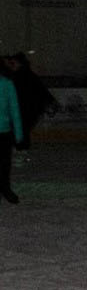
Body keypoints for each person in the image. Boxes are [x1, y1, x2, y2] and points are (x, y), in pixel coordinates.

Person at [0, 68, 21, 203]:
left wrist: (18, 132)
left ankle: (5, 189)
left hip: (4, 132)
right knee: (3, 163)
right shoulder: (7, 84)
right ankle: (5, 190)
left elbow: (14, 109)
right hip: (5, 132)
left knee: (4, 163)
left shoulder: (7, 84)